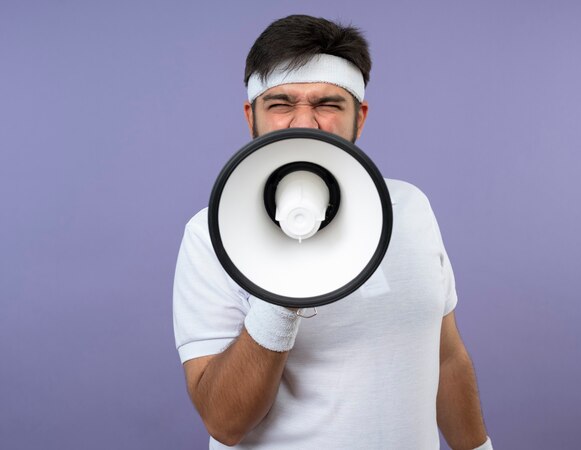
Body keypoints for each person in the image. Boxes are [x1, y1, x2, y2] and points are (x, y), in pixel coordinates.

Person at [173, 15, 493, 450]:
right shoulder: (211, 236)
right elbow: (225, 423)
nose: (305, 123)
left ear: (359, 117)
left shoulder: (410, 208)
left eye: (328, 104)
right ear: (252, 115)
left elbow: (446, 356)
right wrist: (282, 289)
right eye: (281, 103)